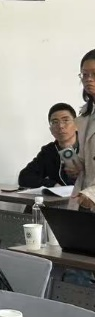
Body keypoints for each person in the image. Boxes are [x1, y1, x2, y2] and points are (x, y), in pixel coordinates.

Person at [18, 103, 79, 188]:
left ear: (77, 124)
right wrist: (53, 185)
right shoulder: (49, 151)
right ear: (51, 129)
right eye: (55, 122)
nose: (60, 126)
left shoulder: (89, 146)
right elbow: (24, 177)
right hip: (61, 196)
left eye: (65, 120)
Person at [70, 49, 95, 211]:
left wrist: (92, 194)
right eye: (84, 75)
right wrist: (75, 164)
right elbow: (86, 160)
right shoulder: (86, 115)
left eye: (94, 74)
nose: (88, 79)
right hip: (85, 199)